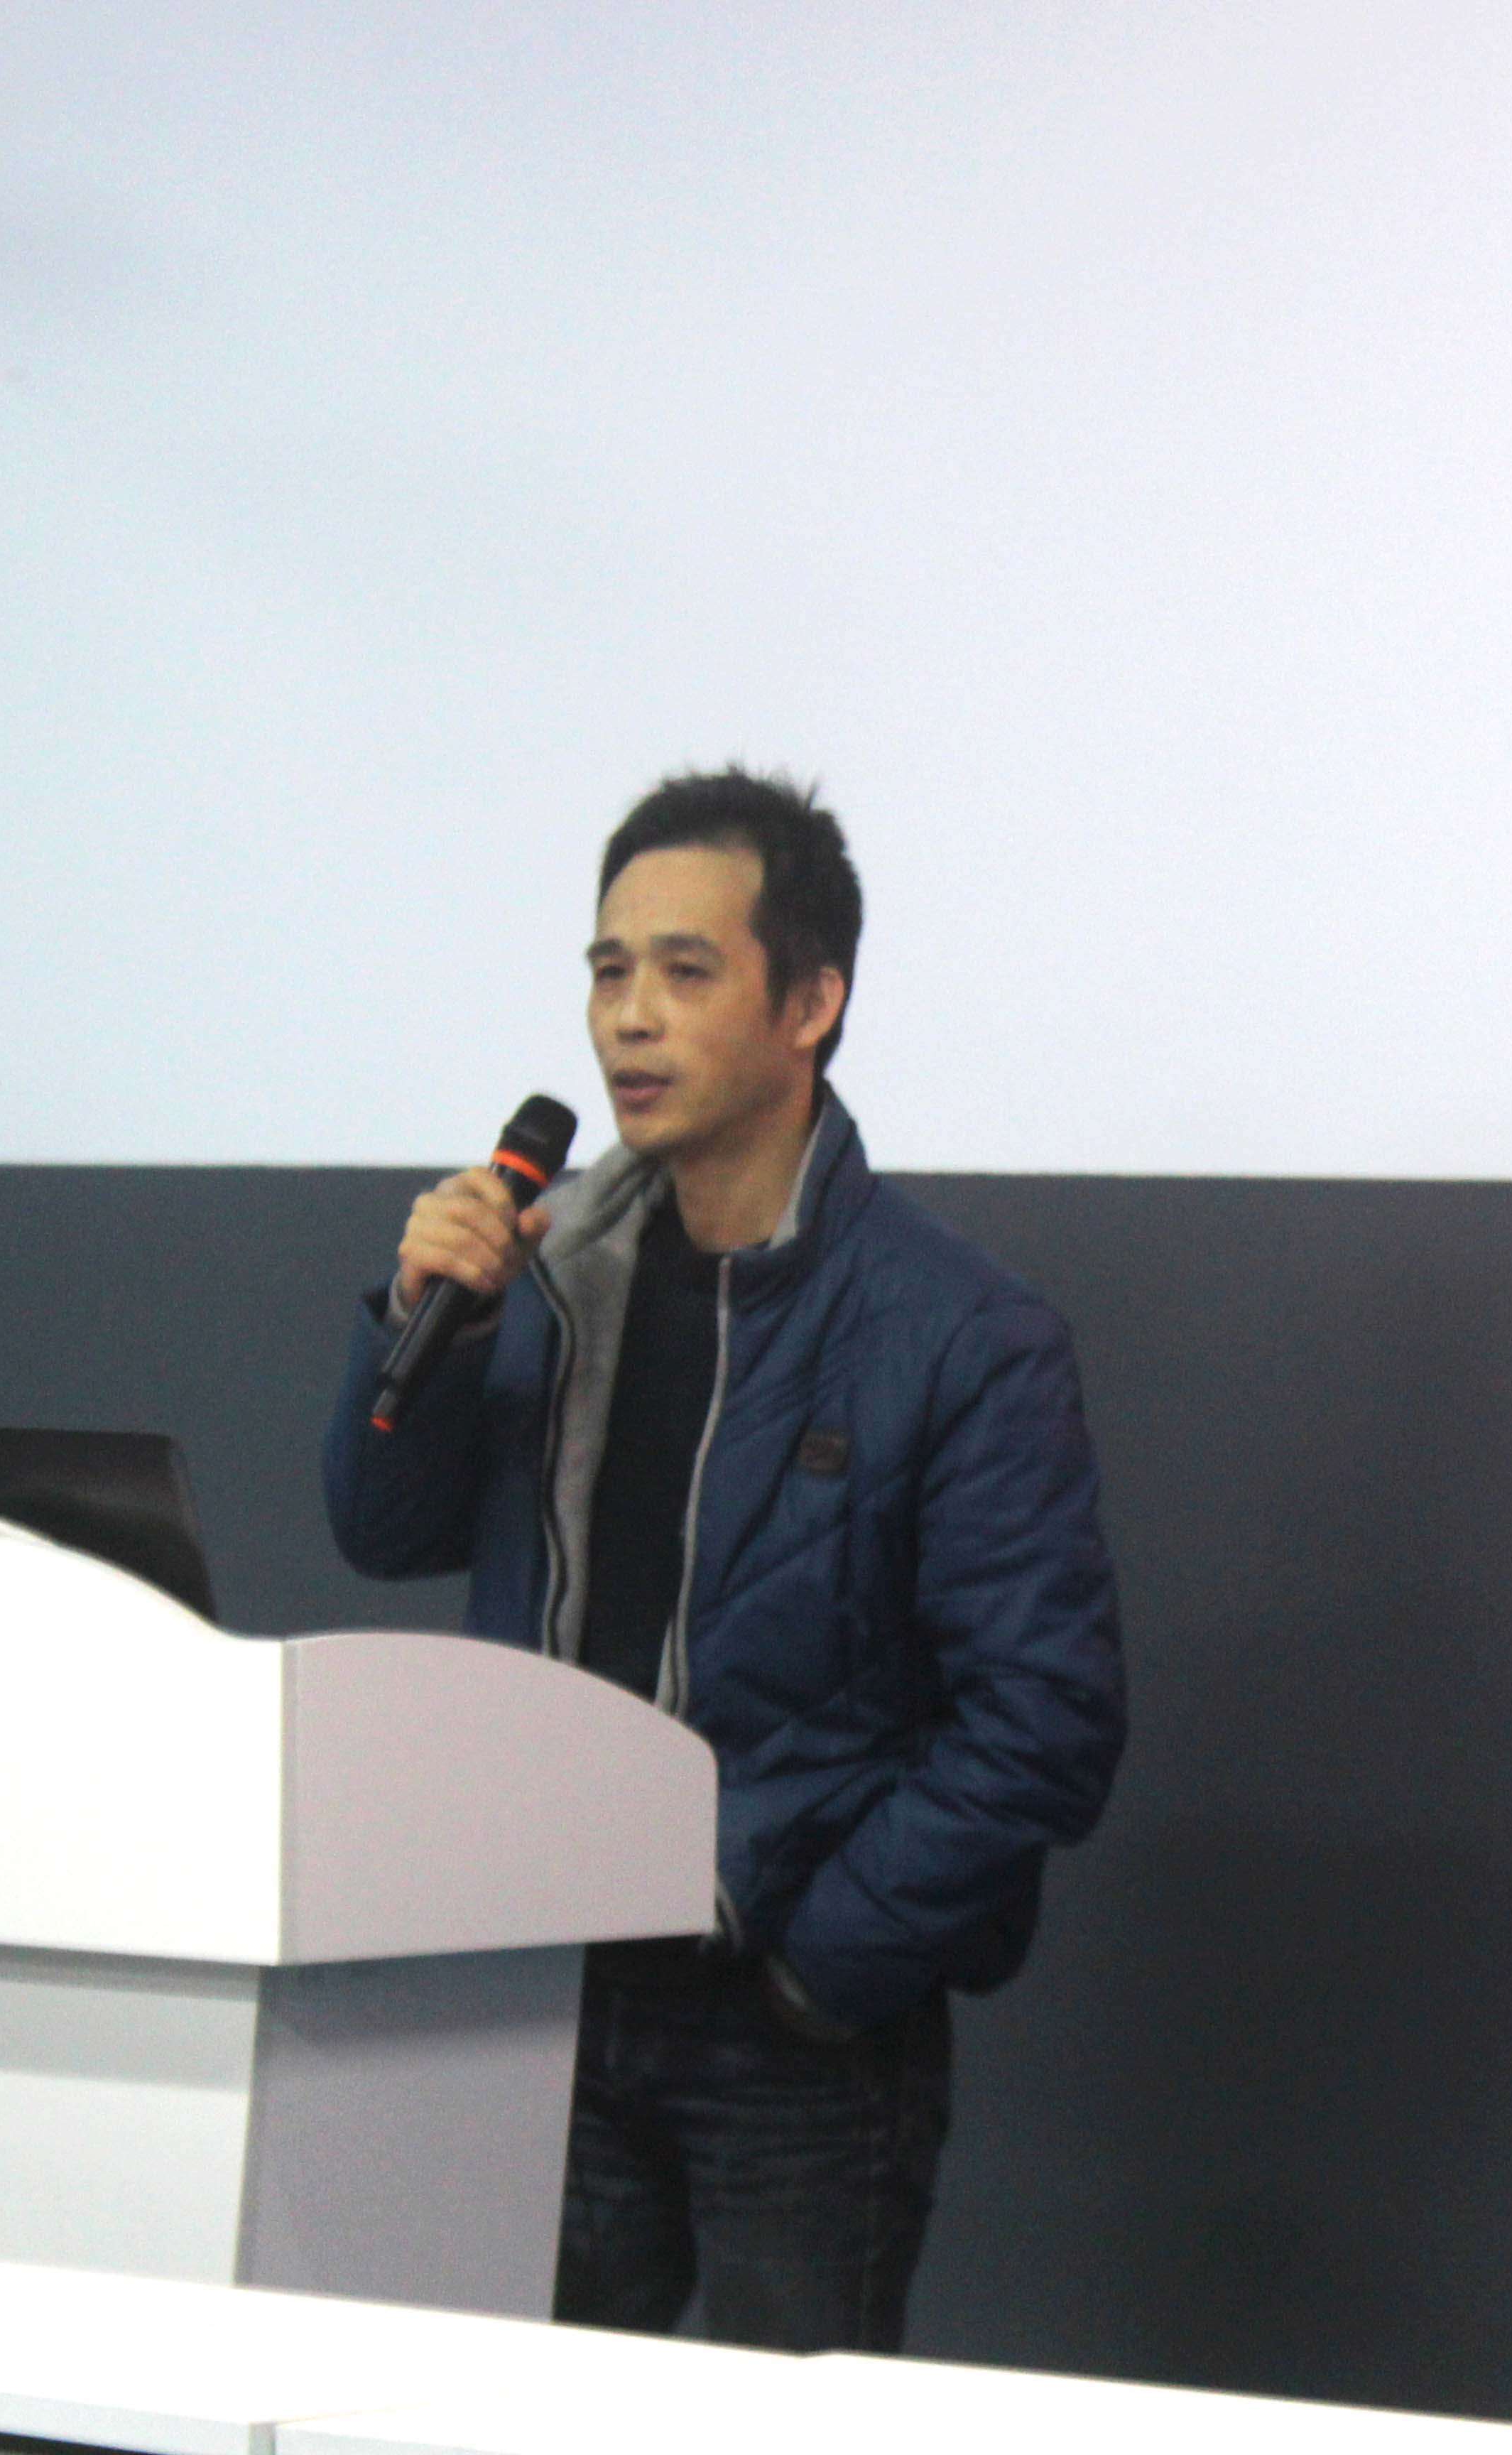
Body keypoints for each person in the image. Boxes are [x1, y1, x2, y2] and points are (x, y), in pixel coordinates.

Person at [321, 766, 1128, 2352]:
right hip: (542, 1996)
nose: (630, 1019)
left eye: (686, 972)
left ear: (810, 1003)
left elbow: (1047, 1721)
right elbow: (381, 1529)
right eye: (608, 972)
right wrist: (427, 1321)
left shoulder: (959, 1335)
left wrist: (820, 1970)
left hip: (791, 2040)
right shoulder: (551, 1277)